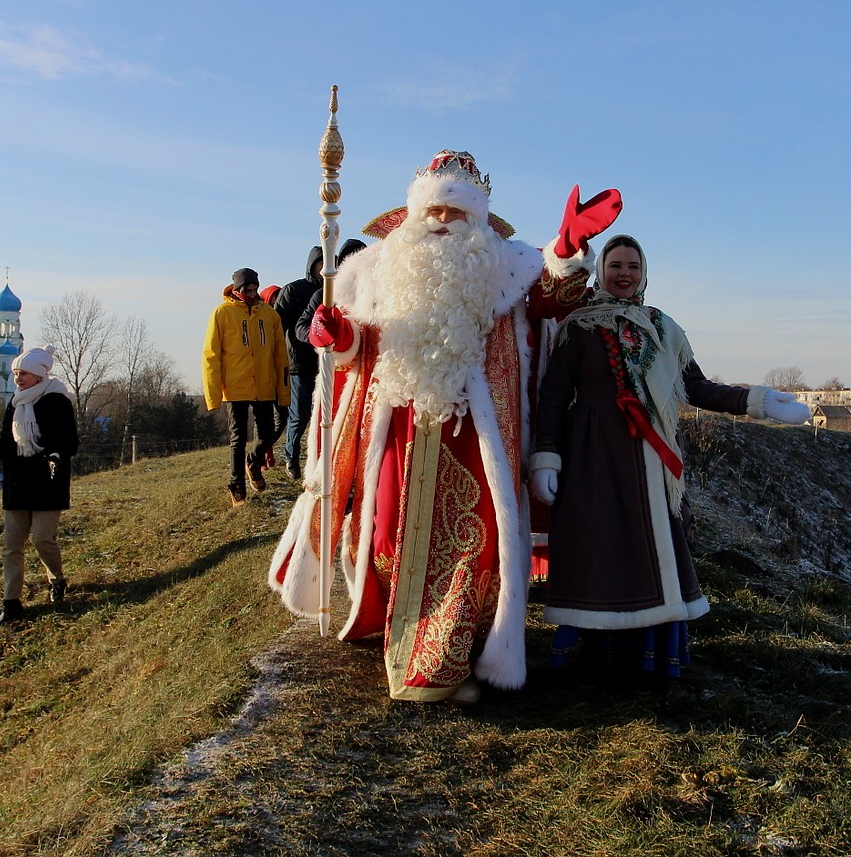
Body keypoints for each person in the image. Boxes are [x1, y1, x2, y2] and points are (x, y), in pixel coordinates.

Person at [270, 149, 622, 704]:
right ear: (412, 215)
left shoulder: (508, 266)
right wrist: (334, 336)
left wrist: (567, 250)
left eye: (456, 213)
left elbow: (553, 298)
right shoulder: (372, 269)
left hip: (477, 435)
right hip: (397, 428)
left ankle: (444, 655)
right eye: (434, 210)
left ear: (478, 219)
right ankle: (392, 623)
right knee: (385, 532)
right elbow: (356, 345)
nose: (443, 221)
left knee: (472, 546)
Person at [529, 234, 811, 685]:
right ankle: (590, 643)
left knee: (652, 542)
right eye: (616, 265)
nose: (625, 274)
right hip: (593, 455)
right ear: (602, 271)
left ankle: (648, 648)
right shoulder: (577, 327)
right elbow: (554, 395)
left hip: (653, 459)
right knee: (598, 543)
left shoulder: (664, 328)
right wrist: (547, 456)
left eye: (633, 267)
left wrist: (756, 401)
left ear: (644, 274)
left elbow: (696, 389)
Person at [0, 346, 80, 626]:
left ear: (39, 375)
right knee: (12, 546)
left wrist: (55, 454)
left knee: (44, 540)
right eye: (16, 373)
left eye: (24, 373)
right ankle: (11, 601)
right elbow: (8, 442)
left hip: (47, 483)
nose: (18, 378)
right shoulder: (16, 403)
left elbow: (69, 441)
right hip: (17, 484)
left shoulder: (57, 400)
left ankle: (57, 579)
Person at [202, 268, 290, 504]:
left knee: (266, 433)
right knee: (238, 438)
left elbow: (280, 356)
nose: (252, 293)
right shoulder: (222, 314)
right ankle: (237, 484)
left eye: (255, 289)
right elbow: (211, 355)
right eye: (248, 289)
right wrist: (213, 395)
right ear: (238, 290)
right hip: (235, 386)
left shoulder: (270, 316)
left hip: (264, 384)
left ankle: (254, 461)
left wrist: (283, 393)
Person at [273, 246, 325, 480]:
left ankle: (319, 459)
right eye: (320, 263)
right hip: (299, 362)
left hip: (325, 362)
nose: (324, 268)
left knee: (323, 416)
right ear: (312, 265)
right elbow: (277, 325)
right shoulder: (293, 290)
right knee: (300, 414)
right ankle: (291, 457)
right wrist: (280, 356)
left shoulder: (332, 290)